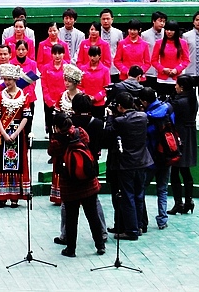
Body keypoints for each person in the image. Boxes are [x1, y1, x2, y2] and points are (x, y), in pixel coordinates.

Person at [48, 113, 105, 257]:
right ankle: (100, 245)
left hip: (69, 182)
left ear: (56, 126)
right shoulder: (81, 132)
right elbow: (88, 142)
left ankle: (71, 249)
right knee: (92, 214)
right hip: (88, 180)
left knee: (71, 217)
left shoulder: (56, 140)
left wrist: (55, 136)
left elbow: (51, 152)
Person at [103, 92, 153, 240]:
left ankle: (131, 230)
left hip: (126, 164)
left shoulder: (120, 121)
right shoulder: (143, 117)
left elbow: (108, 134)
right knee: (139, 195)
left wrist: (110, 117)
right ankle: (139, 225)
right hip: (142, 161)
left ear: (119, 106)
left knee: (128, 196)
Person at [0, 64, 31, 208]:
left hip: (17, 133)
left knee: (17, 164)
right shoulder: (0, 96)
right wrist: (4, 133)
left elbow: (25, 117)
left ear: (16, 80)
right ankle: (2, 196)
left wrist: (15, 133)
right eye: (5, 79)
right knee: (0, 163)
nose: (7, 82)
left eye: (10, 79)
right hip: (3, 132)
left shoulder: (23, 96)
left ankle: (14, 197)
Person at [139, 87, 172, 231]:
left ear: (145, 101)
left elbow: (146, 135)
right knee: (162, 189)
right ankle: (162, 219)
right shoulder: (168, 110)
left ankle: (141, 221)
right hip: (167, 156)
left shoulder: (147, 117)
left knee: (141, 189)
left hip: (151, 159)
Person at [50, 63, 83, 204]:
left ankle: (77, 194)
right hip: (62, 136)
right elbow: (56, 115)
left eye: (69, 81)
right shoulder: (61, 96)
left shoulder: (81, 96)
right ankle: (59, 194)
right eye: (65, 80)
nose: (67, 83)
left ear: (75, 82)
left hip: (75, 136)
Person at [168, 74, 199, 215]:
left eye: (177, 84)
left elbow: (168, 111)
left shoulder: (179, 102)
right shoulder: (193, 99)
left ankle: (178, 203)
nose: (175, 86)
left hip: (180, 135)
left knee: (175, 171)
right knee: (185, 170)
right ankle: (188, 201)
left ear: (182, 87)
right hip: (190, 134)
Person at [151, 20, 190, 101]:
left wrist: (177, 70)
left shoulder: (183, 43)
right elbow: (154, 60)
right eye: (167, 30)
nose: (169, 32)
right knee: (161, 102)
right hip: (162, 79)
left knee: (175, 102)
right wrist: (162, 69)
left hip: (176, 79)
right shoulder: (159, 43)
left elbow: (186, 60)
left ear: (176, 31)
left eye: (172, 30)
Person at [41, 44, 68, 135]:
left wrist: (64, 101)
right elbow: (44, 86)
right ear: (51, 54)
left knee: (64, 128)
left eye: (60, 53)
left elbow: (69, 86)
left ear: (64, 54)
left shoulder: (67, 67)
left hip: (63, 103)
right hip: (49, 103)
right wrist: (49, 101)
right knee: (51, 127)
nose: (57, 56)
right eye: (55, 53)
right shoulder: (46, 68)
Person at [79, 45, 111, 120]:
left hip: (99, 104)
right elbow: (79, 86)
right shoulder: (83, 69)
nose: (92, 58)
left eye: (94, 56)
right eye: (90, 56)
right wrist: (86, 96)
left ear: (99, 56)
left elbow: (107, 88)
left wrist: (96, 97)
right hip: (85, 103)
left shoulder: (105, 70)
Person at [141, 11, 167, 90]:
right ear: (153, 21)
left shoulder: (167, 34)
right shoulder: (145, 35)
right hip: (150, 70)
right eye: (160, 21)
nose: (162, 23)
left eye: (164, 21)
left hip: (164, 69)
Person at [99, 8, 124, 83]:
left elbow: (121, 51)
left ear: (112, 19)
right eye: (103, 19)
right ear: (100, 20)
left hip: (114, 68)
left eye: (108, 19)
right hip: (99, 67)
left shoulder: (118, 33)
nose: (105, 21)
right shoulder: (96, 32)